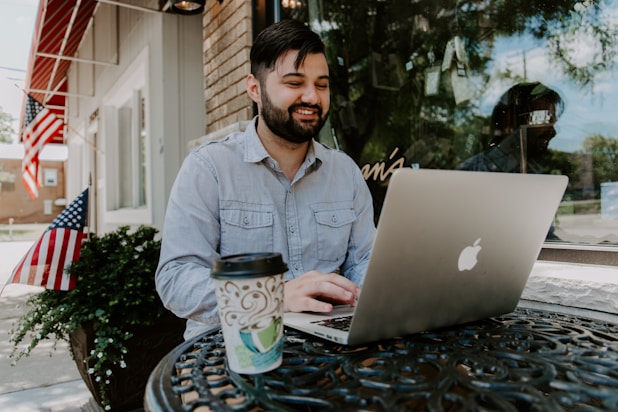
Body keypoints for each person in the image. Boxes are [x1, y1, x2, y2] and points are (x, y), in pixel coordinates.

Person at [155, 19, 376, 340]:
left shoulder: (346, 172)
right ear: (254, 88)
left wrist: (370, 293)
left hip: (328, 346)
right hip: (228, 350)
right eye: (294, 82)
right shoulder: (208, 168)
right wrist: (273, 297)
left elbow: (365, 260)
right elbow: (176, 280)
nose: (312, 97)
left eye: (322, 84)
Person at [458, 82, 564, 173]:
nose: (553, 132)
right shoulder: (472, 172)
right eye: (544, 120)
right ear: (512, 123)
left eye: (553, 122)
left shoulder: (533, 170)